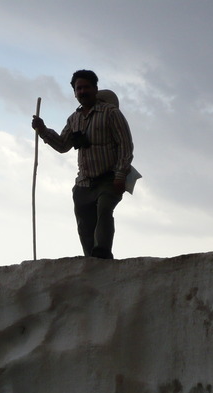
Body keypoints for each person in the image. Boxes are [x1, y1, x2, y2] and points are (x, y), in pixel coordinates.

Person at [32, 69, 134, 259]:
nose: (82, 91)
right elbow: (63, 145)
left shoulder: (111, 113)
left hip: (109, 178)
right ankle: (91, 261)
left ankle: (102, 253)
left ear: (95, 89)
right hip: (84, 182)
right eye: (79, 88)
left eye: (86, 87)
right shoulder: (74, 119)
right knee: (85, 224)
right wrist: (43, 130)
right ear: (74, 92)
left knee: (104, 210)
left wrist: (120, 174)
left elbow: (125, 145)